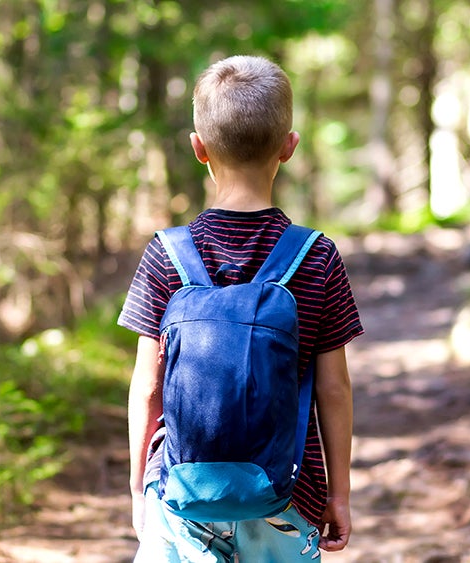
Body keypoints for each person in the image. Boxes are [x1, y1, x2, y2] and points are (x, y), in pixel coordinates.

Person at [118, 55, 363, 561]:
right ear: (289, 147)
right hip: (287, 497)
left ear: (198, 148)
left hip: (180, 496)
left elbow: (147, 388)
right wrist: (338, 494)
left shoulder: (167, 253)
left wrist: (139, 486)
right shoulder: (316, 255)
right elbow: (333, 389)